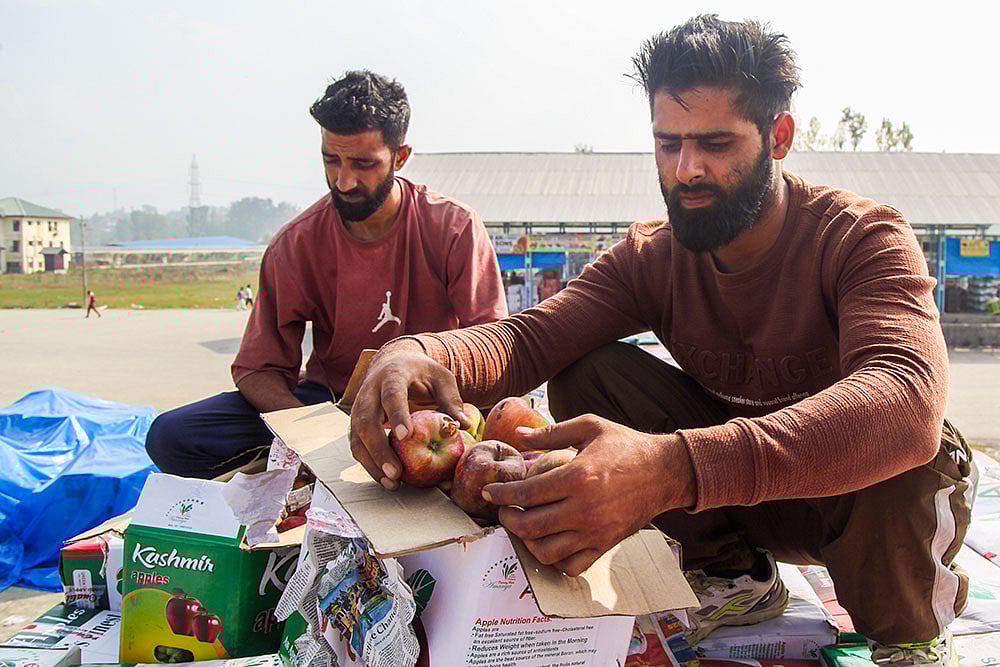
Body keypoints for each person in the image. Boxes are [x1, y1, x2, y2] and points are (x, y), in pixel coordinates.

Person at [349, 17, 973, 666]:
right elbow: (529, 339)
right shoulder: (653, 257)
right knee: (585, 370)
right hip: (743, 491)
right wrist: (420, 352)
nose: (686, 169)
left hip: (864, 506)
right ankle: (736, 576)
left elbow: (908, 400)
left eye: (715, 143)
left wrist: (673, 468)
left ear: (778, 137)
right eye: (667, 143)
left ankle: (911, 636)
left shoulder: (860, 238)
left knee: (899, 437)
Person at [145, 70, 507, 479]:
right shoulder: (296, 243)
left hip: (426, 407)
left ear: (400, 157)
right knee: (170, 435)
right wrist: (316, 436)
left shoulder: (453, 227)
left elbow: (491, 348)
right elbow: (259, 369)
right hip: (328, 405)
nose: (344, 180)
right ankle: (314, 465)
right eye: (330, 160)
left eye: (363, 164)